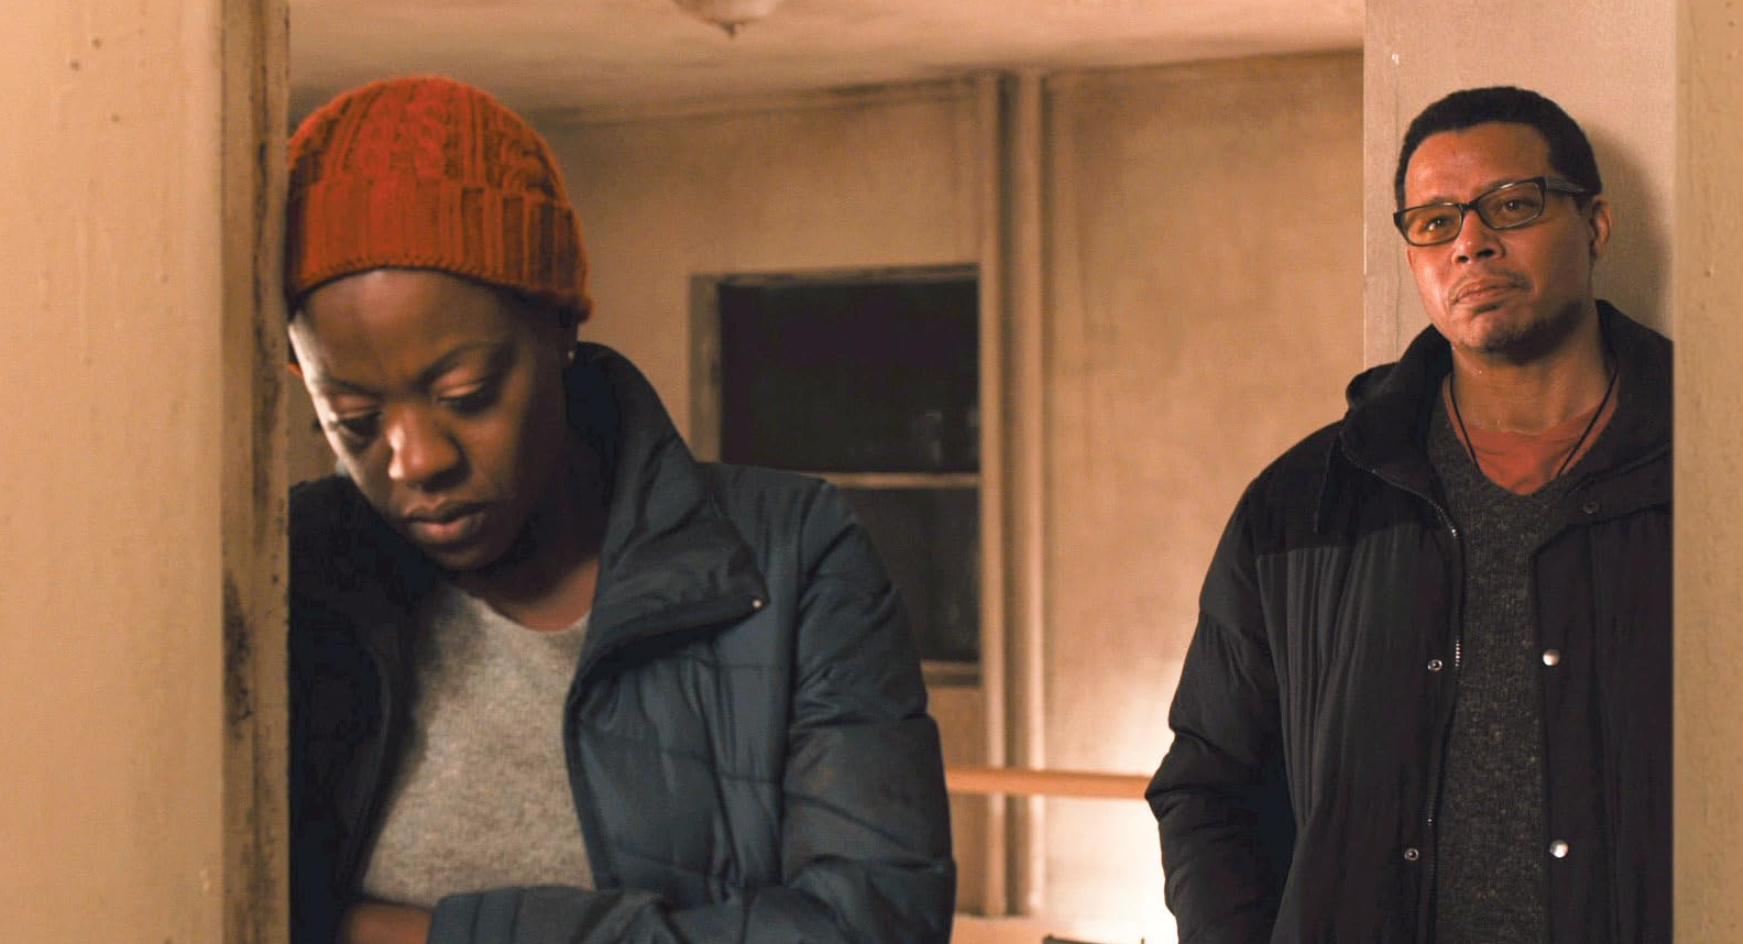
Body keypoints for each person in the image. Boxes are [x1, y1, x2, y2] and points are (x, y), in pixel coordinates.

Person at [284, 76, 954, 944]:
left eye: (466, 393)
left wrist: (423, 936)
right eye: (353, 421)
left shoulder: (789, 554)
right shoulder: (293, 574)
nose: (416, 460)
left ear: (561, 326)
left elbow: (877, 925)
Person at [1147, 86, 1670, 944]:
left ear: (1596, 225)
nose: (1470, 242)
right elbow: (1210, 785)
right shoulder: (1304, 503)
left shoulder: (1705, 467)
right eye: (1434, 222)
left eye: (1511, 204)